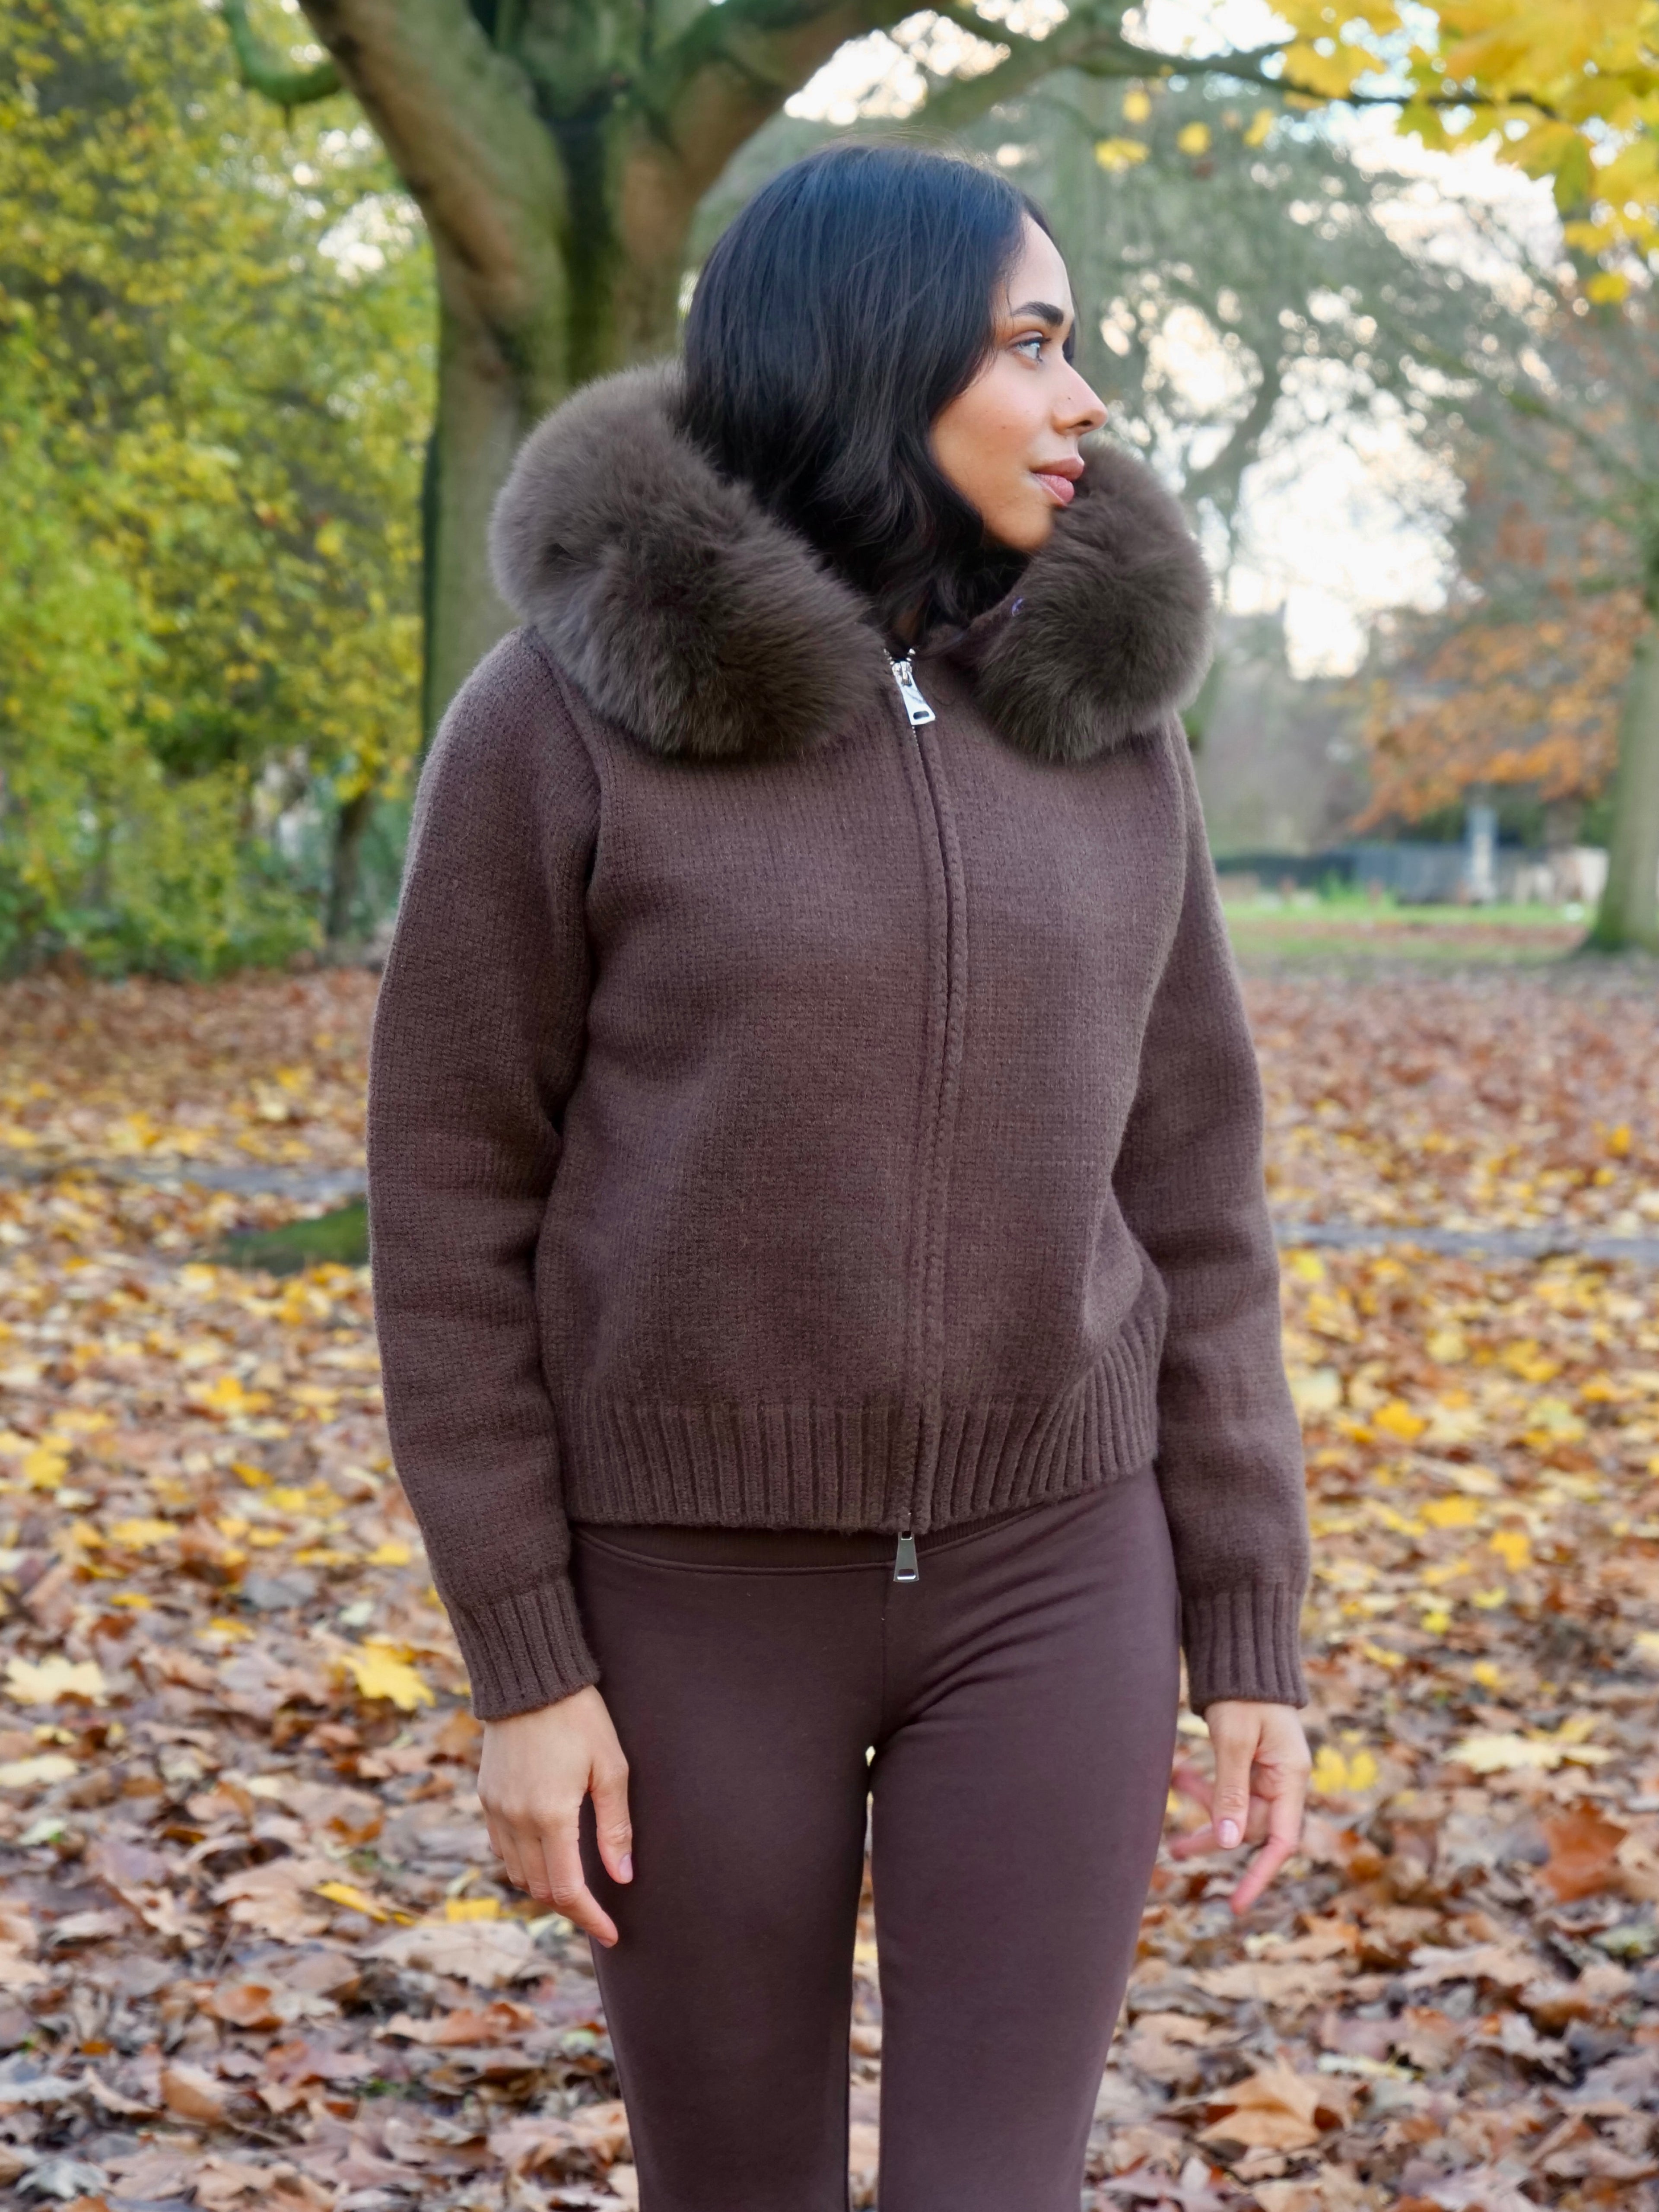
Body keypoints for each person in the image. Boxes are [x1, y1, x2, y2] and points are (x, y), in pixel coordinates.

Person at [367, 142, 1312, 2212]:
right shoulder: (560, 719)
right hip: (689, 1603)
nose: (1083, 403)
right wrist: (527, 1661)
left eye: (1082, 352)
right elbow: (449, 1210)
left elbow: (1200, 1188)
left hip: (1057, 1567)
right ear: (873, 359)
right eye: (1033, 347)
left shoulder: (1107, 735)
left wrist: (1248, 1616)